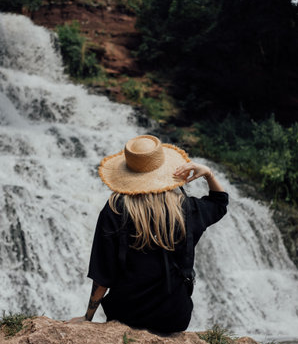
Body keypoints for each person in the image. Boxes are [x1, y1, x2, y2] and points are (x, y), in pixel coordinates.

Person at [66, 135, 228, 333]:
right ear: (165, 171)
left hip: (126, 315)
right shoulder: (186, 209)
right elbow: (219, 202)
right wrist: (208, 174)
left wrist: (87, 317)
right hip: (174, 316)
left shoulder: (115, 210)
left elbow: (103, 274)